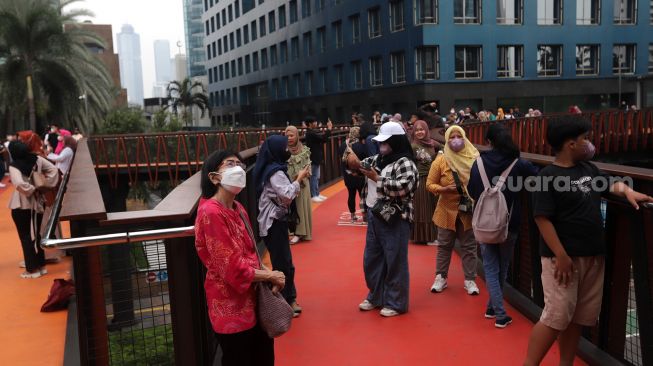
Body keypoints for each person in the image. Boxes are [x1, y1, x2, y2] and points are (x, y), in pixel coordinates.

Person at [523, 116, 653, 365]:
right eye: (586, 139)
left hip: (593, 256)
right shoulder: (547, 176)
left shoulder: (588, 169)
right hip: (562, 259)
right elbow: (542, 218)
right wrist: (560, 255)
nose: (590, 144)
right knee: (555, 317)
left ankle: (566, 363)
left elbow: (610, 184)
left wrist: (628, 191)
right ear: (571, 144)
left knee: (577, 318)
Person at [195, 150, 285, 366]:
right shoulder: (211, 213)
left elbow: (251, 251)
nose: (238, 168)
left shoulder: (238, 208)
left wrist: (266, 273)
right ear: (214, 177)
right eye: (230, 164)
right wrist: (270, 275)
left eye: (240, 164)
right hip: (231, 307)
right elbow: (233, 269)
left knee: (263, 357)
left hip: (254, 301)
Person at [467, 125, 539, 328]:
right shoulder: (519, 164)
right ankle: (499, 314)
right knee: (503, 267)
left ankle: (493, 307)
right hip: (510, 223)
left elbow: (472, 190)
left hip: (483, 222)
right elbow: (539, 176)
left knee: (490, 266)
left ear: (489, 142)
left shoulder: (478, 162)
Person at [357, 121, 418, 317]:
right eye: (380, 143)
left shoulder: (406, 163)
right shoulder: (378, 159)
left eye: (385, 143)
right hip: (376, 216)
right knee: (371, 259)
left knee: (395, 261)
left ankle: (396, 302)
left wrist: (377, 179)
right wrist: (352, 160)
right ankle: (376, 296)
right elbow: (360, 166)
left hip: (396, 218)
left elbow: (404, 188)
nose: (381, 146)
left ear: (396, 142)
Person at [254, 135, 310, 317]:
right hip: (274, 222)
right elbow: (286, 195)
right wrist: (299, 178)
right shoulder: (275, 172)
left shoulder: (270, 169)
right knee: (283, 263)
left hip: (273, 221)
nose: (288, 150)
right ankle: (285, 301)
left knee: (284, 262)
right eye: (285, 147)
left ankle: (289, 298)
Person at [426, 125, 480, 295]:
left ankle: (470, 279)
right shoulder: (441, 160)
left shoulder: (475, 158)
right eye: (452, 136)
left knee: (469, 246)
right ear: (447, 139)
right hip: (446, 210)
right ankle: (440, 277)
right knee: (444, 245)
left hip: (468, 211)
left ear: (464, 137)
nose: (455, 140)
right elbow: (430, 184)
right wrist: (443, 190)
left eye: (459, 136)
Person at [8, 141, 59, 278]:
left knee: (25, 236)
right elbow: (53, 170)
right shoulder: (37, 159)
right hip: (38, 202)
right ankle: (41, 266)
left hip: (22, 204)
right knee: (36, 234)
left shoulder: (14, 166)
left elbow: (18, 183)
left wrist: (31, 190)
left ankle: (32, 270)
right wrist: (44, 186)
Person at [410, 120, 440, 244]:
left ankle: (432, 235)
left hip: (433, 178)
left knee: (433, 206)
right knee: (423, 208)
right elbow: (420, 161)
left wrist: (440, 153)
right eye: (417, 130)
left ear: (426, 130)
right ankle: (423, 236)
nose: (419, 132)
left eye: (422, 129)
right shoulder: (413, 146)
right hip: (421, 179)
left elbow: (445, 148)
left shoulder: (432, 143)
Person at [285, 126, 312, 244]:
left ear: (297, 135)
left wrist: (301, 176)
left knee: (300, 208)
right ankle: (290, 231)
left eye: (292, 135)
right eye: (287, 136)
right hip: (287, 184)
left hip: (302, 184)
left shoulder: (304, 149)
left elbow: (308, 168)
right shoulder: (283, 150)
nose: (289, 138)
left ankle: (300, 233)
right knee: (288, 209)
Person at [339, 127, 368, 223]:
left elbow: (341, 157)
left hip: (348, 174)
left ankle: (352, 215)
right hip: (359, 174)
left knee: (351, 195)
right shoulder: (360, 144)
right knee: (362, 195)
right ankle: (364, 215)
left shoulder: (343, 144)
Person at [304, 116, 333, 202]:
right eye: (314, 122)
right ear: (310, 124)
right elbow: (323, 138)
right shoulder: (310, 133)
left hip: (315, 157)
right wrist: (329, 129)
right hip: (313, 157)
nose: (316, 123)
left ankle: (317, 193)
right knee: (314, 176)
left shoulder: (311, 132)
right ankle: (314, 195)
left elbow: (322, 139)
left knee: (316, 176)